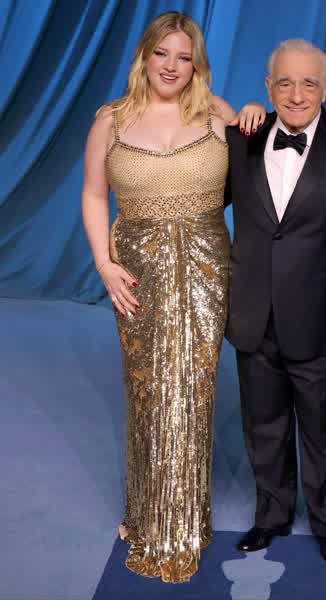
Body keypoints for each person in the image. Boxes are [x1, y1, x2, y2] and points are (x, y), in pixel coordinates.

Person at [81, 11, 265, 583]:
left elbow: (257, 173)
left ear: (196, 65)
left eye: (183, 57)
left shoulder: (216, 112)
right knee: (148, 392)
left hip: (207, 269)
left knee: (191, 392)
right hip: (136, 273)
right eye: (162, 53)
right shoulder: (110, 120)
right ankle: (144, 514)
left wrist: (252, 115)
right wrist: (104, 264)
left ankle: (183, 525)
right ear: (145, 55)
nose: (171, 66)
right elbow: (93, 195)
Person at [225, 39, 326, 566]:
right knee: (263, 426)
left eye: (309, 83)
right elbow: (198, 189)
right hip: (252, 312)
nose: (296, 94)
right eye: (285, 82)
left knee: (322, 428)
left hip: (320, 317)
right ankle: (271, 516)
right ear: (268, 87)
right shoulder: (240, 139)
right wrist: (235, 113)